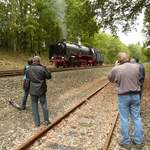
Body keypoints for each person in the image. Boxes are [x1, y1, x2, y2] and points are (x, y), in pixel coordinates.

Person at [108, 52, 143, 149]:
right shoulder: (137, 67)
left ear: (119, 60)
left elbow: (110, 79)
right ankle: (138, 141)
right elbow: (140, 79)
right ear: (128, 58)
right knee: (136, 118)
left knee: (124, 119)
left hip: (123, 96)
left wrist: (115, 67)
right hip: (136, 95)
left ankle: (126, 142)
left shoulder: (117, 68)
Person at [27, 56, 51, 127]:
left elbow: (28, 77)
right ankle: (46, 121)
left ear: (33, 61)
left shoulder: (29, 69)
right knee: (44, 105)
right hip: (41, 90)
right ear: (39, 61)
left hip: (32, 90)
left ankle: (37, 123)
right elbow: (49, 76)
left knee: (34, 106)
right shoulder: (42, 68)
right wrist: (45, 68)